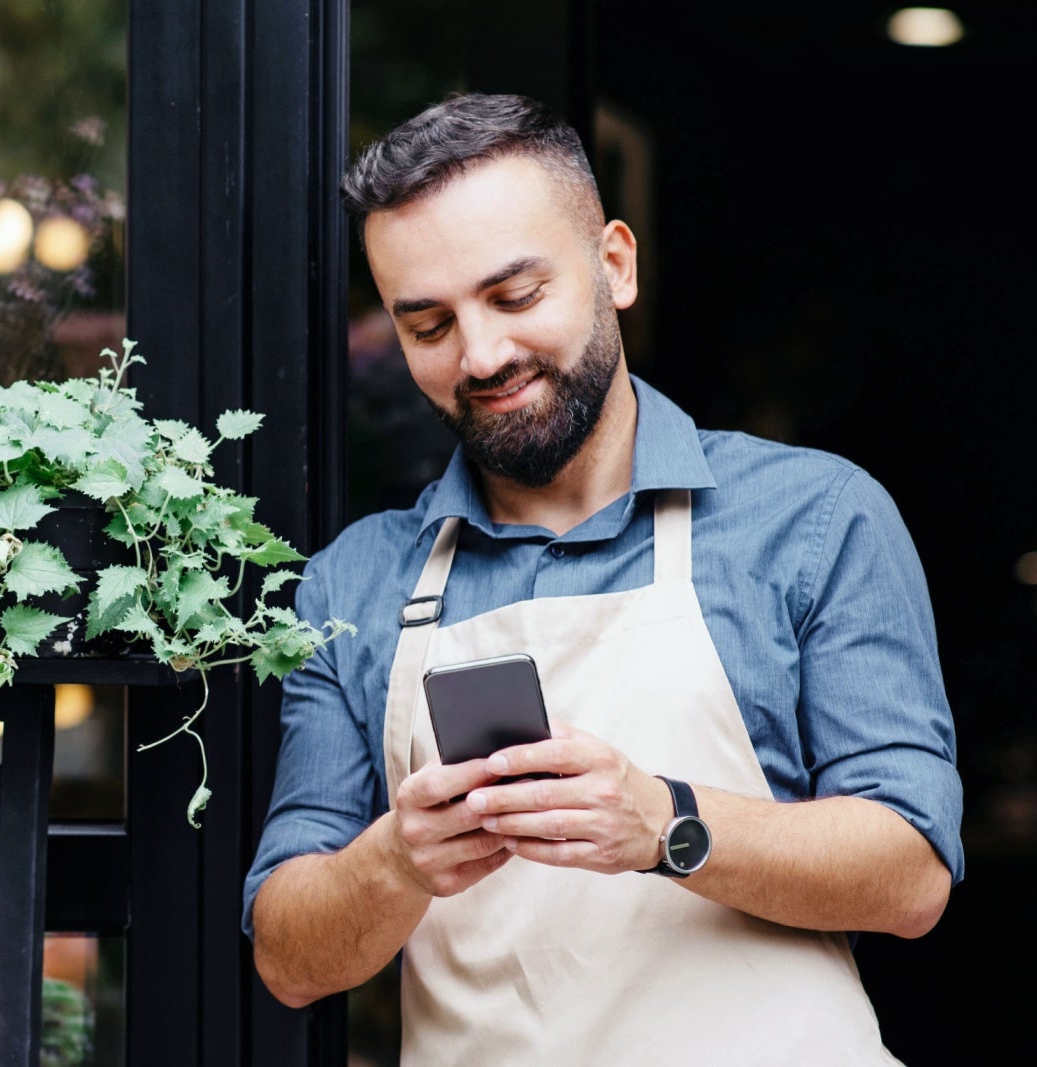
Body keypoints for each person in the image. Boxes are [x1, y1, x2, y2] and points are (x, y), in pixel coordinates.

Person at [243, 92, 963, 1064]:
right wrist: (394, 858)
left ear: (614, 263)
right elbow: (289, 957)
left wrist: (662, 820)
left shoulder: (812, 517)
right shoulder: (355, 582)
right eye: (428, 325)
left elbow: (911, 874)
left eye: (514, 296)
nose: (481, 354)